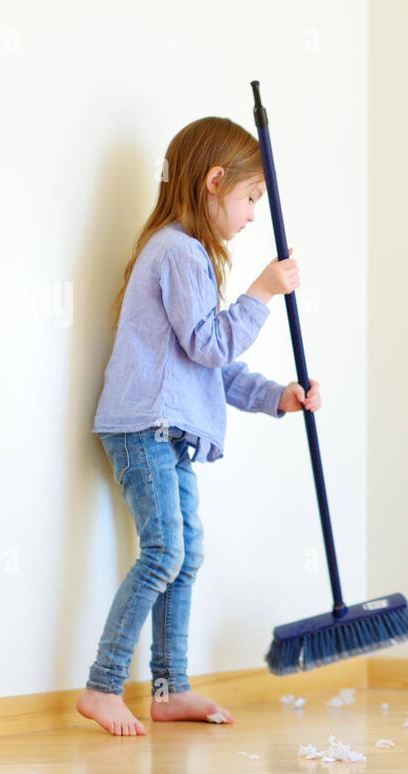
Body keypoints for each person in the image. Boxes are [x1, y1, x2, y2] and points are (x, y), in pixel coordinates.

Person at [79, 116, 320, 736]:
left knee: (185, 557)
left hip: (169, 432)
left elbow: (212, 367)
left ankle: (169, 688)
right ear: (215, 182)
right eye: (249, 198)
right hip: (144, 428)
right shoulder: (177, 251)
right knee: (164, 553)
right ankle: (104, 686)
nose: (250, 216)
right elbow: (210, 344)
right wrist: (262, 292)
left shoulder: (185, 256)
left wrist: (277, 398)